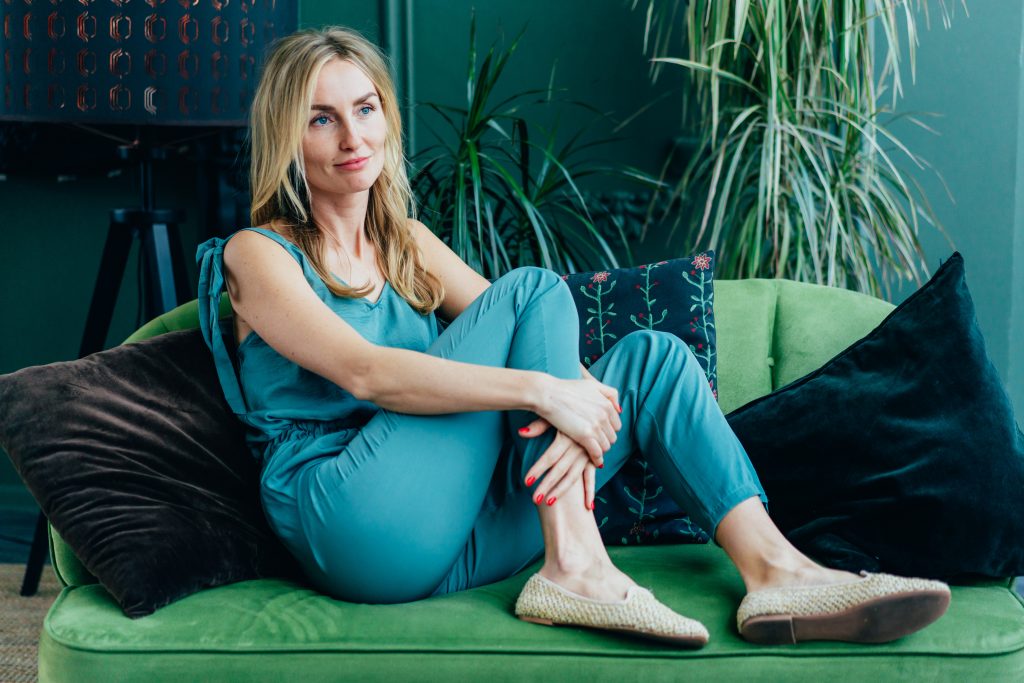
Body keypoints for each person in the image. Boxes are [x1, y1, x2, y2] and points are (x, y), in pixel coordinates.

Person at [196, 25, 950, 647]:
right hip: (350, 519)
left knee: (653, 360)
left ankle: (777, 571)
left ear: (386, 118)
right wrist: (546, 391)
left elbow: (535, 337)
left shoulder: (409, 244)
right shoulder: (258, 253)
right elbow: (365, 372)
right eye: (321, 118)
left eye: (364, 108)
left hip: (452, 535)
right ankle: (574, 561)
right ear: (287, 137)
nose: (350, 135)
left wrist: (578, 403)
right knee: (533, 290)